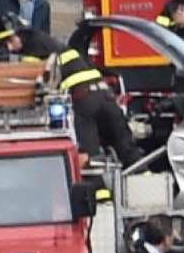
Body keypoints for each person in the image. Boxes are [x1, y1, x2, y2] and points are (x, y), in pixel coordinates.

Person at [53, 25, 140, 172]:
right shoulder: (83, 63)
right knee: (126, 146)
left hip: (84, 103)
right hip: (107, 98)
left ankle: (95, 185)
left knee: (89, 156)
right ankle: (141, 173)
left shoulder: (56, 60)